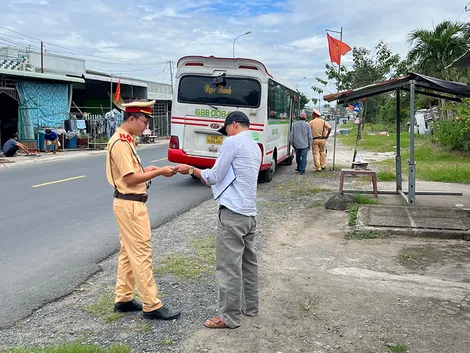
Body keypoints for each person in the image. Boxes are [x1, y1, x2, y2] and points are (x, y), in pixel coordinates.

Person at [175, 111, 261, 329]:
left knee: (228, 267)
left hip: (232, 213)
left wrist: (191, 169)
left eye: (226, 131)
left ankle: (229, 317)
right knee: (248, 263)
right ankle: (250, 307)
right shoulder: (254, 146)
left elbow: (213, 176)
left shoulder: (233, 142)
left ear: (233, 125)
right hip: (250, 213)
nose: (226, 135)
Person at [106, 100, 181, 320]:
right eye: (144, 121)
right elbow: (129, 179)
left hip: (130, 202)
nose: (145, 126)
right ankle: (152, 305)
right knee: (141, 253)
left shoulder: (127, 140)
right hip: (130, 204)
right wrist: (159, 173)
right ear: (131, 119)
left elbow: (131, 172)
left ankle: (123, 298)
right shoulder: (120, 142)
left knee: (128, 253)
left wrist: (147, 169)